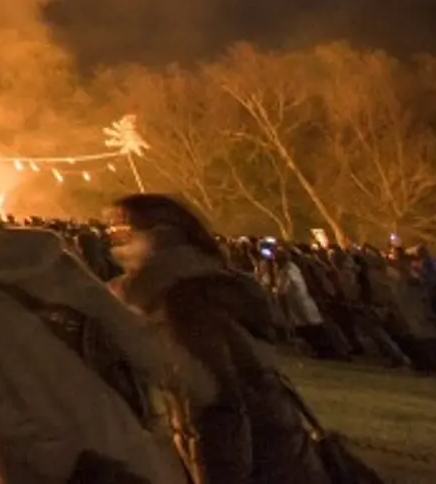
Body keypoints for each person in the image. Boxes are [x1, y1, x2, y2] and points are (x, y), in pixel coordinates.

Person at [0, 173, 185, 484]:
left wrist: (49, 453)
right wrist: (182, 381)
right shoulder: (40, 253)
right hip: (104, 415)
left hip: (41, 452)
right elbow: (119, 323)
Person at [106, 195, 322, 484]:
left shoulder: (183, 300)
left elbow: (216, 407)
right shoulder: (208, 283)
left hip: (261, 464)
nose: (114, 246)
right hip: (281, 451)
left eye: (122, 234)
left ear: (161, 235)